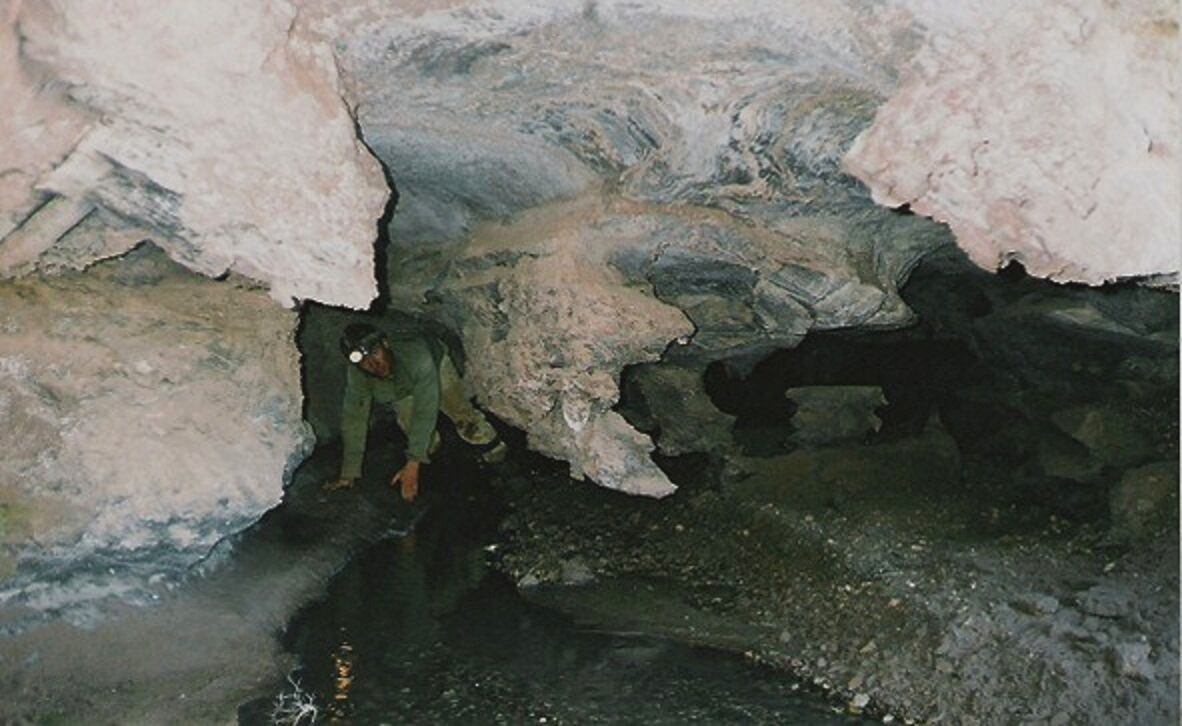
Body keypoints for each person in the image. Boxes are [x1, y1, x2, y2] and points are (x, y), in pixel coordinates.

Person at [324, 322, 504, 501]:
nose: (373, 364)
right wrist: (348, 474)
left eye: (375, 353)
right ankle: (441, 468)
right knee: (418, 436)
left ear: (385, 344)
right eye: (364, 362)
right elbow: (354, 420)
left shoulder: (418, 355)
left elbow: (426, 409)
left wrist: (412, 463)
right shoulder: (359, 376)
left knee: (463, 419)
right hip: (399, 386)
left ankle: (498, 457)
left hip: (434, 367)